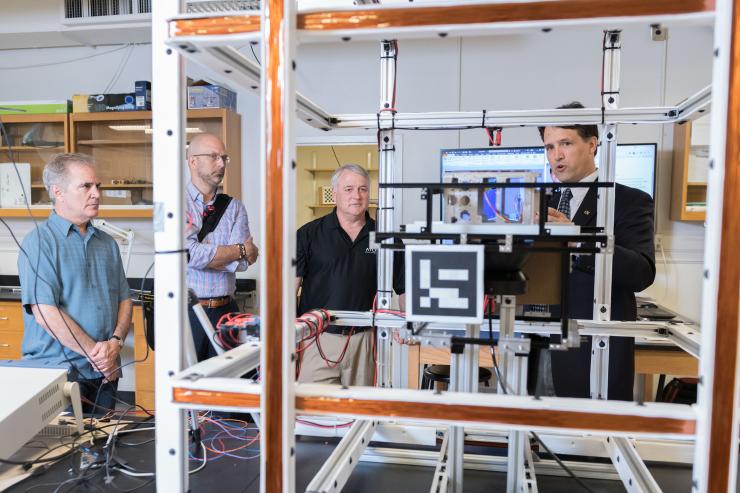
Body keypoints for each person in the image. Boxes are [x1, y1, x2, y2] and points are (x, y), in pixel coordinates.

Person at [531, 101, 656, 401]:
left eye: (565, 143)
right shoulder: (537, 201)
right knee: (536, 443)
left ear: (592, 144)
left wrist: (578, 238)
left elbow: (641, 272)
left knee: (587, 445)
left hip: (591, 352)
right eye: (549, 147)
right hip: (536, 345)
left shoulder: (628, 201)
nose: (556, 155)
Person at [18, 153, 133, 414]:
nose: (96, 194)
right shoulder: (39, 243)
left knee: (104, 449)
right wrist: (97, 353)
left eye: (98, 186)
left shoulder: (107, 243)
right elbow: (45, 312)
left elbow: (124, 299)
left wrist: (114, 343)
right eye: (86, 186)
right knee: (61, 451)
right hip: (60, 373)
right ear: (58, 192)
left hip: (105, 372)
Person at [296, 164, 405, 386]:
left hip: (365, 341)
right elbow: (289, 288)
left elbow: (405, 288)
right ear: (334, 193)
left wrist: (407, 325)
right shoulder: (308, 234)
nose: (356, 195)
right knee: (312, 413)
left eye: (363, 189)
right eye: (348, 189)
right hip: (317, 339)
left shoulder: (386, 238)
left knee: (359, 415)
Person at [186, 133, 258, 361]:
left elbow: (243, 263)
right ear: (193, 161)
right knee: (188, 385)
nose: (221, 164)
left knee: (228, 383)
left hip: (226, 312)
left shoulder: (234, 207)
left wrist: (207, 253)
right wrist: (239, 249)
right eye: (214, 157)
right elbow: (189, 255)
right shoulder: (173, 204)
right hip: (188, 313)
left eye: (224, 158)